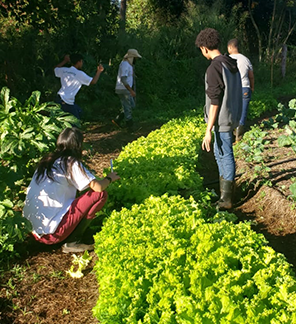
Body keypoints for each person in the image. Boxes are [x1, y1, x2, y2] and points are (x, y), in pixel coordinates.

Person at [23, 127, 120, 253]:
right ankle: (73, 241)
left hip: (31, 230)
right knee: (99, 195)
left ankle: (68, 234)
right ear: (78, 145)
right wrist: (109, 178)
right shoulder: (69, 162)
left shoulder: (47, 161)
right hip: (52, 235)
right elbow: (98, 187)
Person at [195, 28, 242, 210]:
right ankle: (224, 195)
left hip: (221, 119)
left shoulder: (214, 67)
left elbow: (214, 101)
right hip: (230, 115)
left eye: (201, 49)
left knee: (225, 154)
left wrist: (208, 129)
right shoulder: (230, 62)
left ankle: (226, 199)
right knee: (219, 152)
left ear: (205, 48)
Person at [54, 54, 104, 120]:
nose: (82, 63)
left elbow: (56, 69)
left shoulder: (64, 70)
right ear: (79, 62)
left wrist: (65, 61)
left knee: (78, 112)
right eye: (82, 62)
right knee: (75, 122)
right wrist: (99, 71)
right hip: (67, 101)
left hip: (59, 97)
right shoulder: (79, 74)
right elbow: (93, 81)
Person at [227, 38, 255, 141]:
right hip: (245, 87)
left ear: (230, 47)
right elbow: (251, 76)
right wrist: (252, 87)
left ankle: (231, 134)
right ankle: (239, 133)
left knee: (231, 110)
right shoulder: (245, 59)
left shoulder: (226, 60)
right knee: (243, 111)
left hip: (232, 88)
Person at [112, 49, 142, 132]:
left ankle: (118, 120)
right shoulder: (125, 64)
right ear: (132, 57)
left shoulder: (127, 64)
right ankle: (130, 127)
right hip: (123, 89)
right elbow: (123, 79)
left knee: (130, 105)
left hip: (125, 88)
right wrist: (130, 90)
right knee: (128, 107)